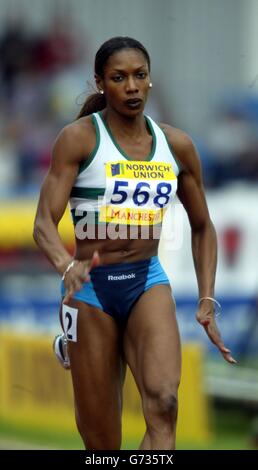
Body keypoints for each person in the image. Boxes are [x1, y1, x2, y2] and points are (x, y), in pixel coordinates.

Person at [33, 36, 236, 451]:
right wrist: (65, 266)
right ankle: (71, 342)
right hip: (89, 291)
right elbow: (42, 224)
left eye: (139, 76)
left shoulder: (176, 145)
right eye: (118, 78)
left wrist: (207, 298)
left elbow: (202, 226)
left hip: (147, 281)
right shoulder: (78, 140)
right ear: (99, 83)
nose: (131, 87)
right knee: (102, 444)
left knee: (165, 403)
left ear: (150, 81)